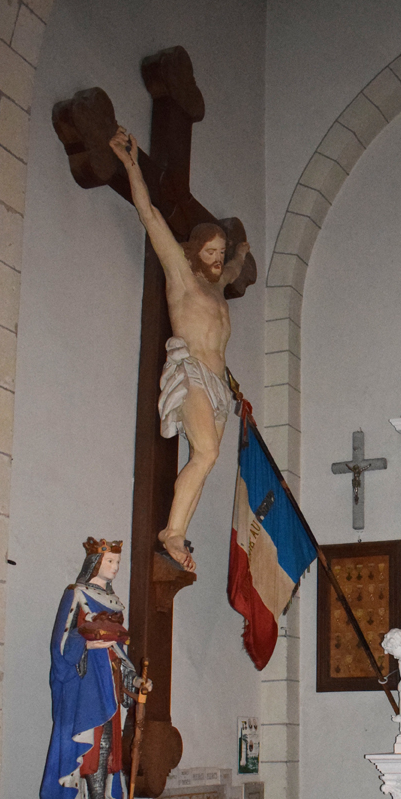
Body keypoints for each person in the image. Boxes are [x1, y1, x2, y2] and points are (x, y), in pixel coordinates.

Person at [109, 126, 252, 572]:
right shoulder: (182, 278)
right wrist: (131, 163)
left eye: (220, 250)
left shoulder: (219, 290)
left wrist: (242, 252)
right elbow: (150, 215)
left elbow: (233, 270)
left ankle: (179, 533)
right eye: (209, 249)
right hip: (189, 373)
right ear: (194, 253)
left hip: (217, 387)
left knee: (205, 464)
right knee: (206, 454)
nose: (215, 257)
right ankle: (170, 532)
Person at [39, 538, 150, 799]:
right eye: (109, 562)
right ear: (95, 563)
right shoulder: (76, 593)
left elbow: (118, 650)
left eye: (117, 563)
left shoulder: (114, 603)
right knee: (93, 736)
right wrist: (86, 646)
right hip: (85, 676)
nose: (114, 568)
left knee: (108, 738)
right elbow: (61, 641)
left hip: (109, 675)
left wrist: (135, 680)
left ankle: (101, 798)